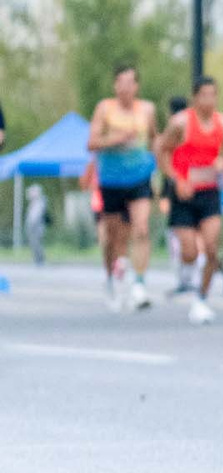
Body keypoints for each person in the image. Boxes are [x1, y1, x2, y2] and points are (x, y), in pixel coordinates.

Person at [156, 77, 223, 325]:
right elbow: (162, 151)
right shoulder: (181, 123)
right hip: (184, 193)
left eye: (213, 95)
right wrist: (176, 179)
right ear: (195, 98)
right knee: (189, 251)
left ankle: (201, 299)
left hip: (209, 192)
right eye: (204, 95)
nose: (209, 100)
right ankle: (186, 274)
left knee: (211, 248)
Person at [88, 65, 159, 311]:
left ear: (137, 86)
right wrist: (115, 139)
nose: (126, 87)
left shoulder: (147, 109)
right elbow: (92, 143)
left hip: (139, 177)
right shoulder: (105, 109)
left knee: (141, 228)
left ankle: (139, 284)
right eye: (121, 82)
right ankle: (111, 277)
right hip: (111, 180)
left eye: (130, 82)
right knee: (113, 237)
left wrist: (160, 168)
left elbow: (154, 140)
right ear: (115, 85)